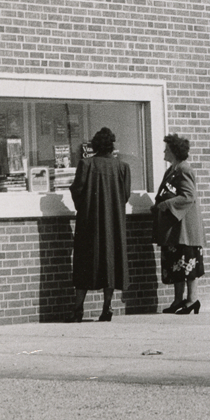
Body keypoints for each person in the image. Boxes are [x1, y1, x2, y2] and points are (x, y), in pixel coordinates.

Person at [69, 126, 132, 323]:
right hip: (113, 223)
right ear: (111, 146)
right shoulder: (122, 167)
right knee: (110, 262)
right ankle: (107, 307)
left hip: (89, 223)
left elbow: (77, 191)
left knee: (84, 262)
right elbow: (125, 195)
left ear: (95, 146)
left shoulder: (86, 165)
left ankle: (78, 308)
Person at [153, 134, 206, 314]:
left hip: (186, 227)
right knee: (176, 263)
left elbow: (189, 196)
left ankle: (192, 300)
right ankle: (178, 300)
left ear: (174, 152)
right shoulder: (173, 169)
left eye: (167, 149)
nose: (164, 152)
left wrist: (166, 204)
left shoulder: (184, 169)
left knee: (188, 263)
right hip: (176, 227)